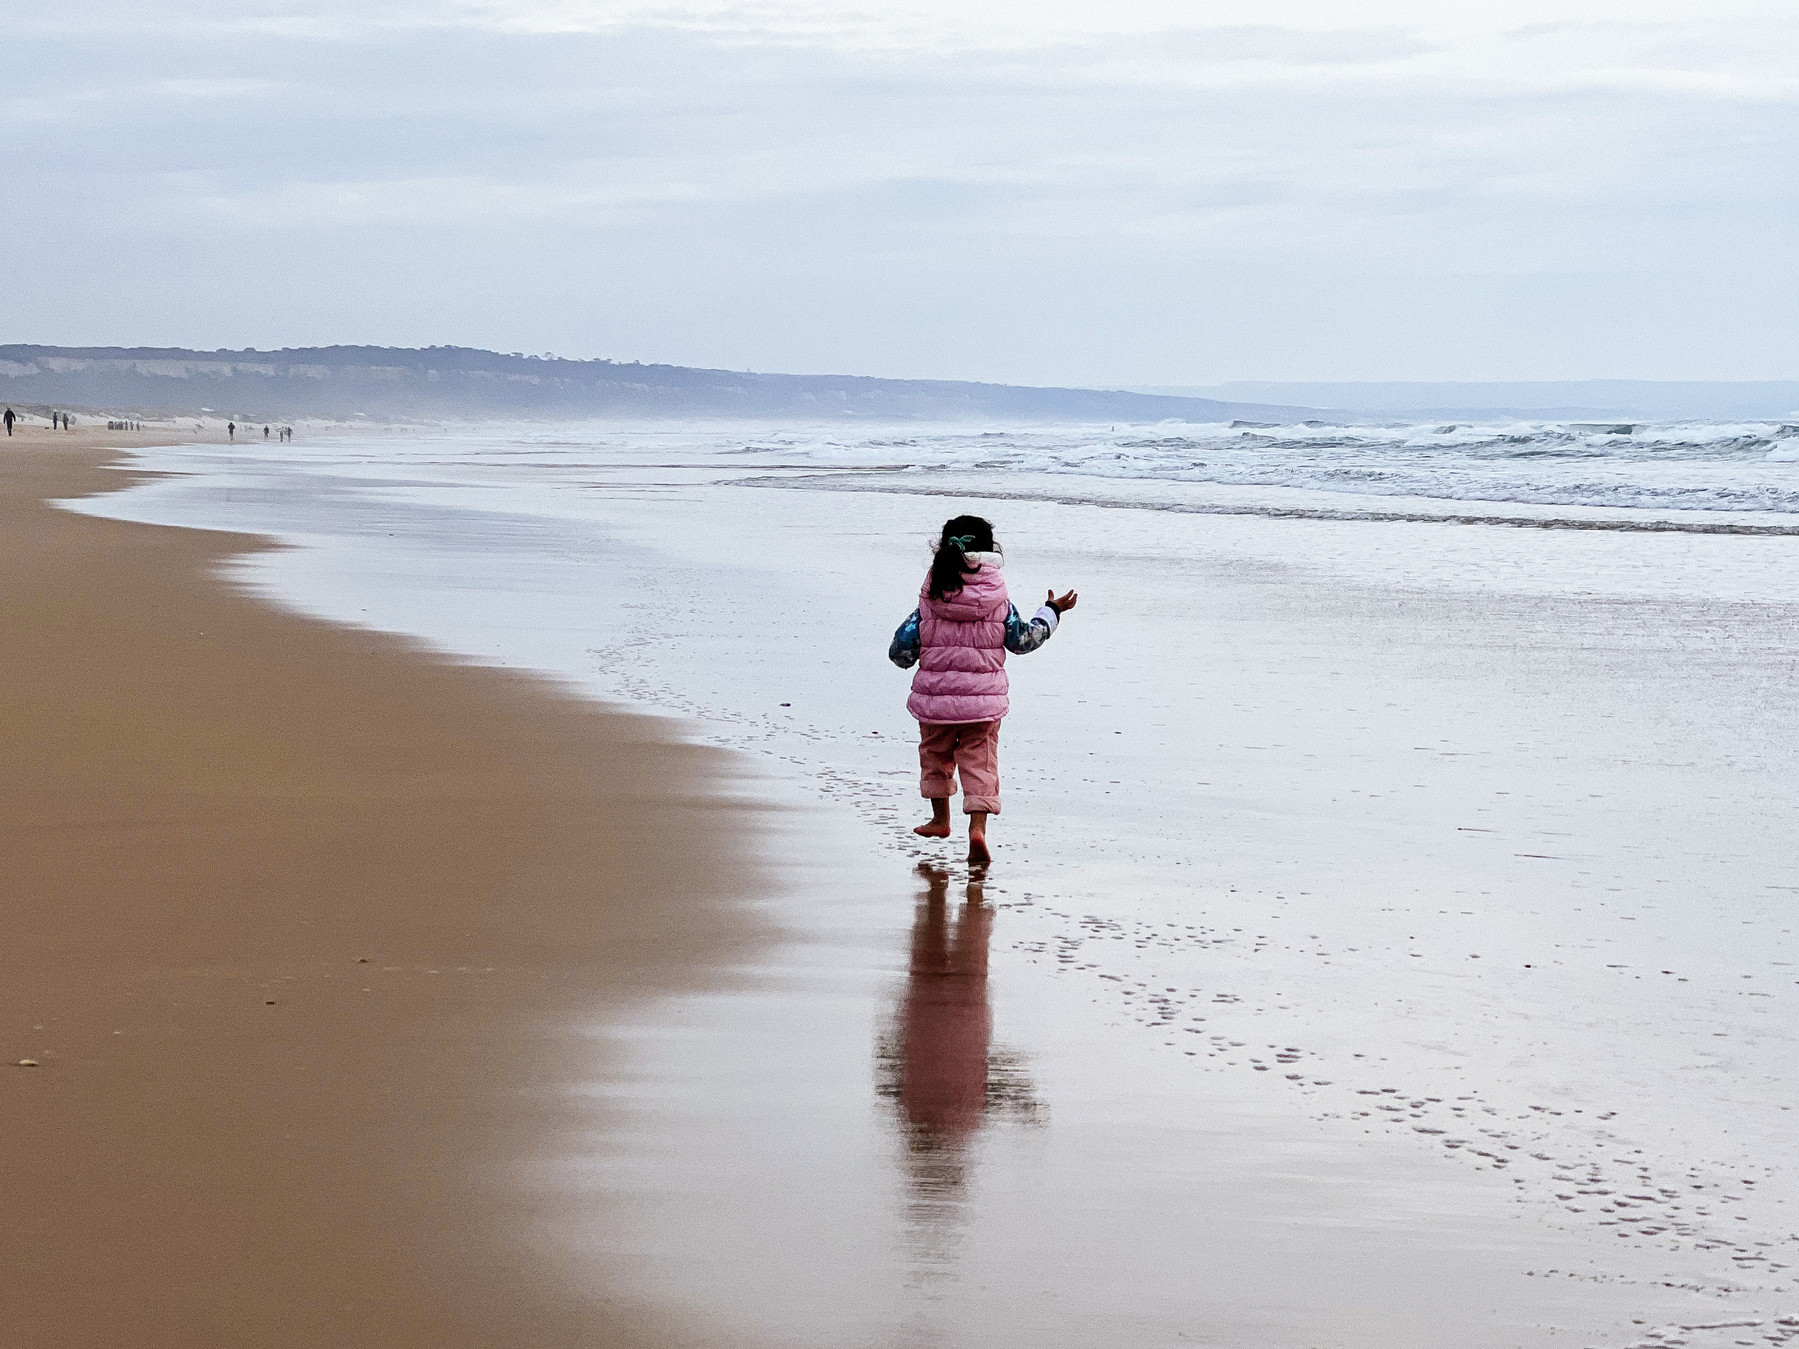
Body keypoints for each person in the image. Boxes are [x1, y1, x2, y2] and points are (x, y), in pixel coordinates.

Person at [889, 515, 1077, 864]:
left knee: (935, 756)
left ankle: (941, 820)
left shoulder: (930, 599)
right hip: (983, 706)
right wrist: (1051, 611)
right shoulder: (999, 602)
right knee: (980, 764)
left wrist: (909, 659)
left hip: (935, 703)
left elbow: (901, 649)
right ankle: (977, 829)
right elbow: (1022, 640)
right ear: (990, 551)